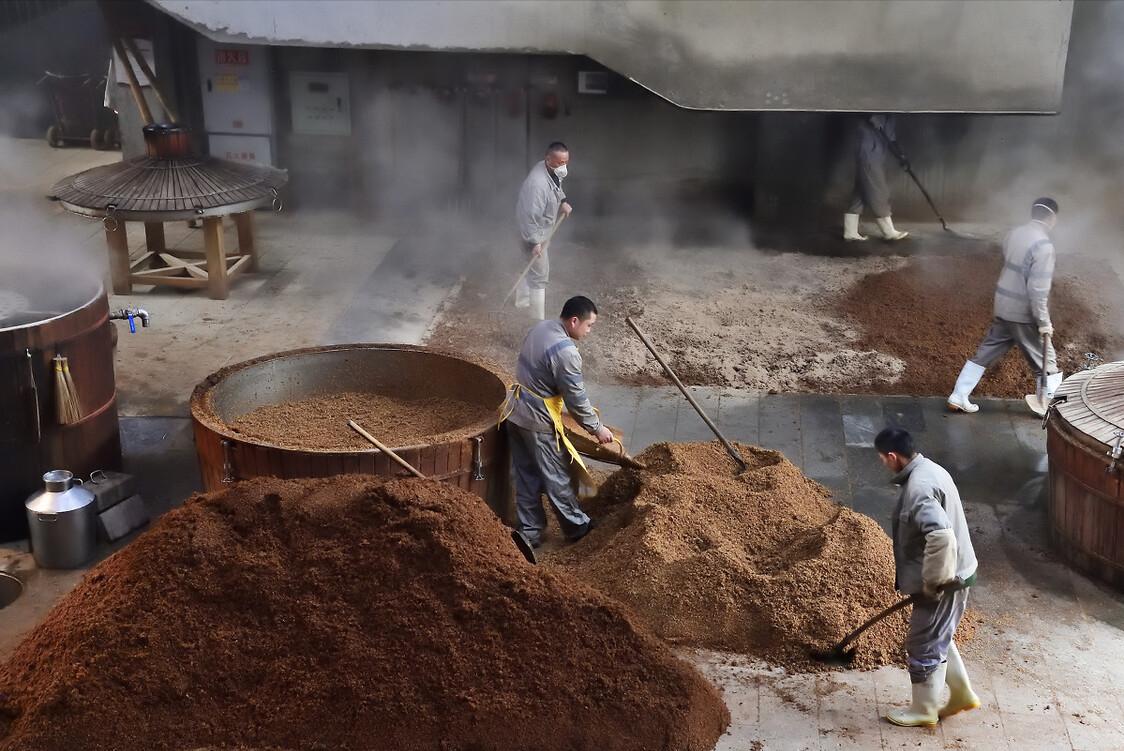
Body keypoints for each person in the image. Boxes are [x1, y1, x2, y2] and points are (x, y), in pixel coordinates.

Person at [875, 428, 979, 728]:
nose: (883, 463)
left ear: (892, 456)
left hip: (947, 579)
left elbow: (941, 536)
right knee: (938, 635)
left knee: (923, 643)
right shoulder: (931, 469)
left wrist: (934, 581)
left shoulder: (918, 488)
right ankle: (961, 694)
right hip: (960, 570)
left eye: (882, 458)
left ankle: (924, 710)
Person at [500, 295, 613, 547]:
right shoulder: (565, 352)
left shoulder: (541, 328)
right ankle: (577, 527)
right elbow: (576, 399)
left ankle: (530, 531)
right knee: (556, 474)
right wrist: (597, 428)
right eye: (589, 325)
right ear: (574, 321)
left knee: (525, 474)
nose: (589, 331)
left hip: (514, 411)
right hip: (537, 420)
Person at [947, 198, 1061, 416]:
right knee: (1047, 360)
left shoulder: (1014, 234)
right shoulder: (1044, 246)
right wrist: (1044, 321)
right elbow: (1037, 289)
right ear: (1052, 218)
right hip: (1023, 313)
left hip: (1003, 304)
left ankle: (959, 395)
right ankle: (1049, 408)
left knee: (986, 352)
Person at [514, 142, 573, 321]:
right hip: (531, 232)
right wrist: (534, 243)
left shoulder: (550, 169)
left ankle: (522, 302)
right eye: (560, 162)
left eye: (566, 162)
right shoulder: (537, 185)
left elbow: (556, 186)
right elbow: (530, 217)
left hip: (537, 230)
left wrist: (563, 201)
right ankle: (537, 319)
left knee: (527, 266)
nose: (564, 166)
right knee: (540, 274)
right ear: (548, 159)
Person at [843, 114, 909, 242]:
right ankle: (888, 232)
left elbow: (891, 139)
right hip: (867, 155)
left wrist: (901, 156)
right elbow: (858, 111)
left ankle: (850, 232)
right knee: (878, 191)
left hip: (876, 156)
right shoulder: (872, 110)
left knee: (860, 193)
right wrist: (869, 116)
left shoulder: (891, 116)